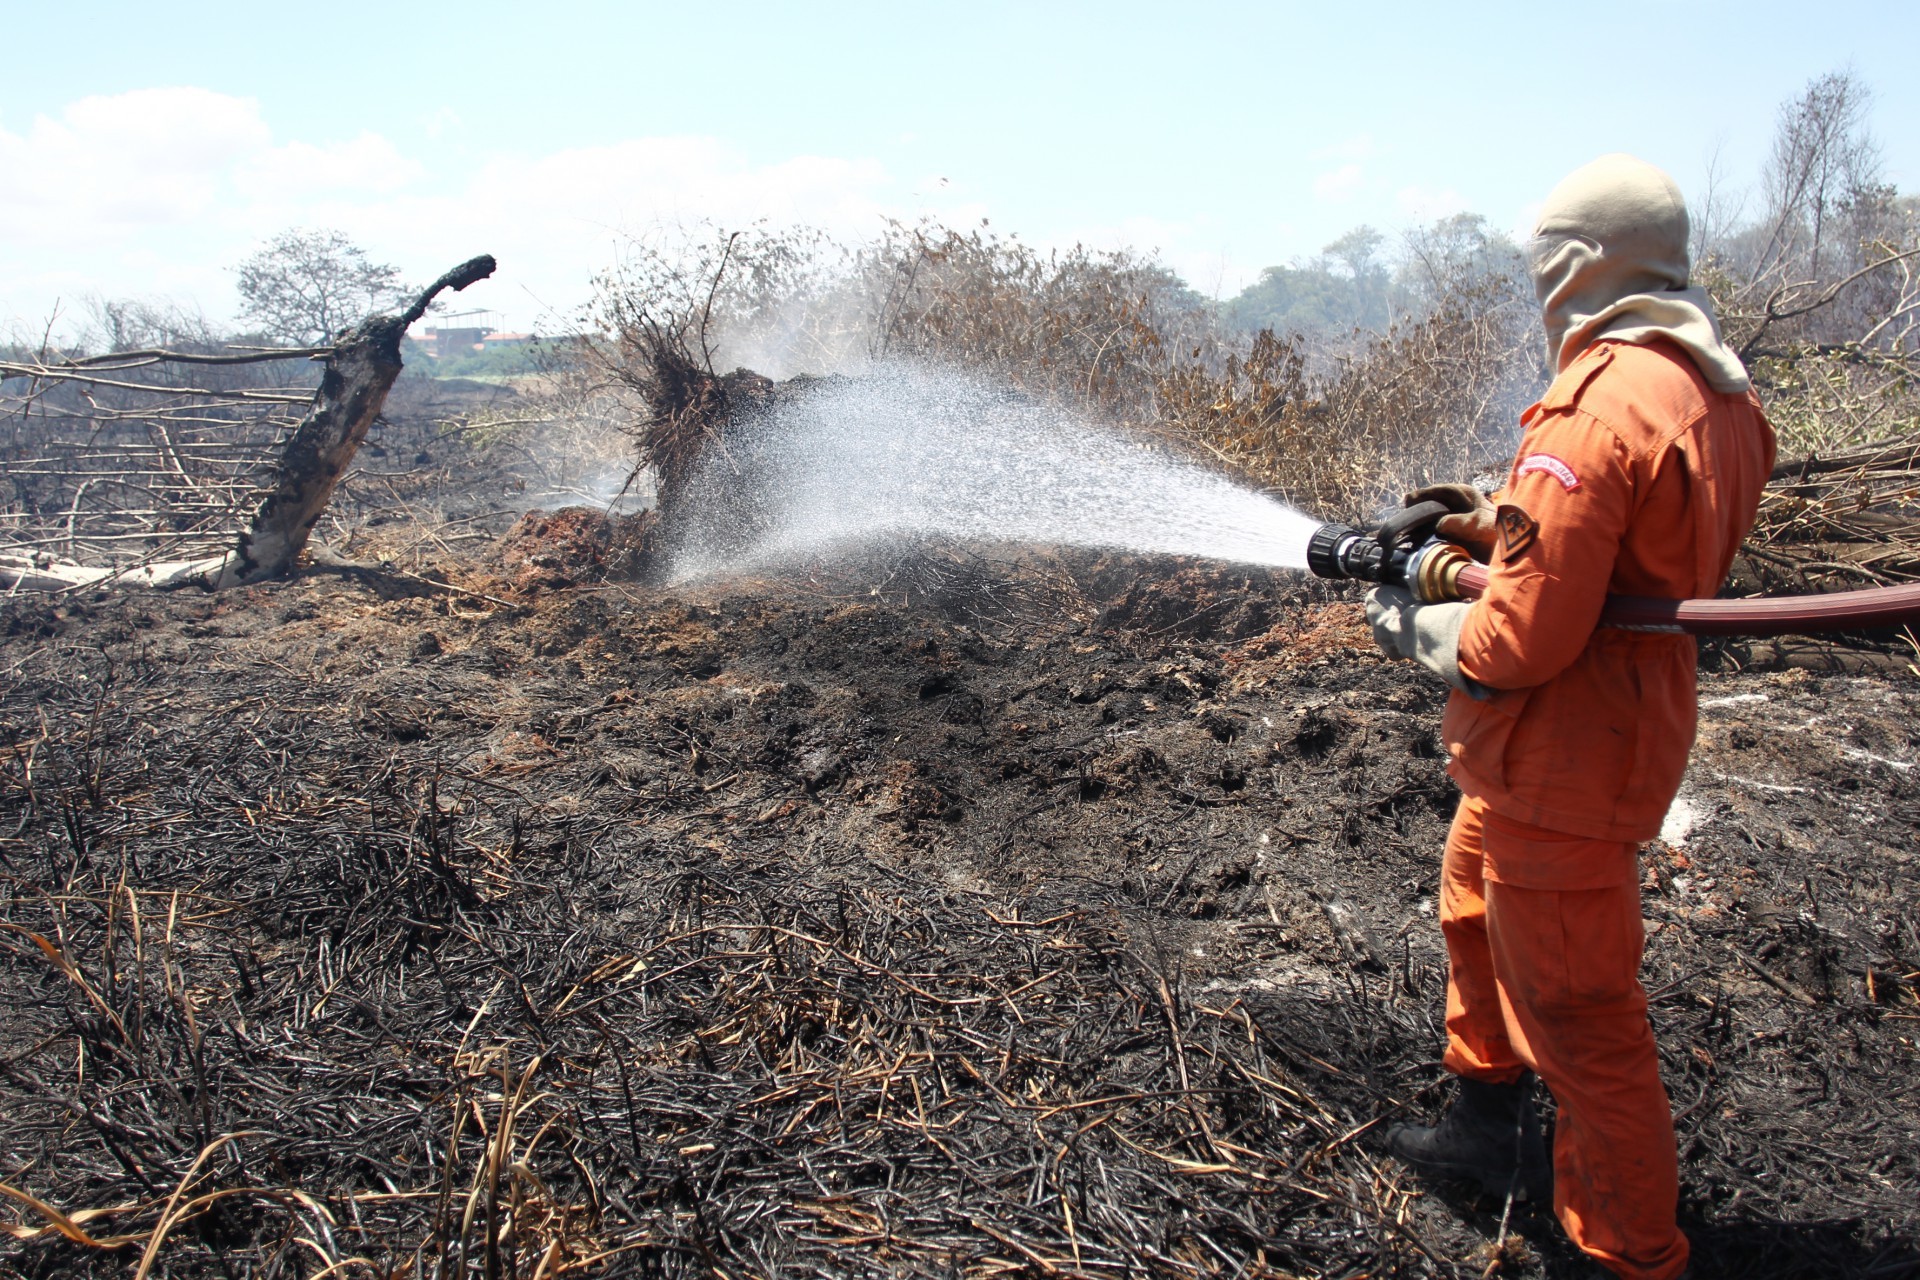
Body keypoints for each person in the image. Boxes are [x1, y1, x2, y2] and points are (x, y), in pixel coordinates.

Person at [1364, 154, 1776, 1280]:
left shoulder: (1599, 402)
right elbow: (1624, 541)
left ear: (1583, 263)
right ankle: (1486, 1125)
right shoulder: (1715, 390)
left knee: (1580, 1016)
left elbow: (1521, 641)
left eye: (1546, 261)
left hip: (1567, 747)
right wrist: (1487, 517)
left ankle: (1628, 1254)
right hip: (1604, 731)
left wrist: (1412, 621)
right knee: (1469, 895)